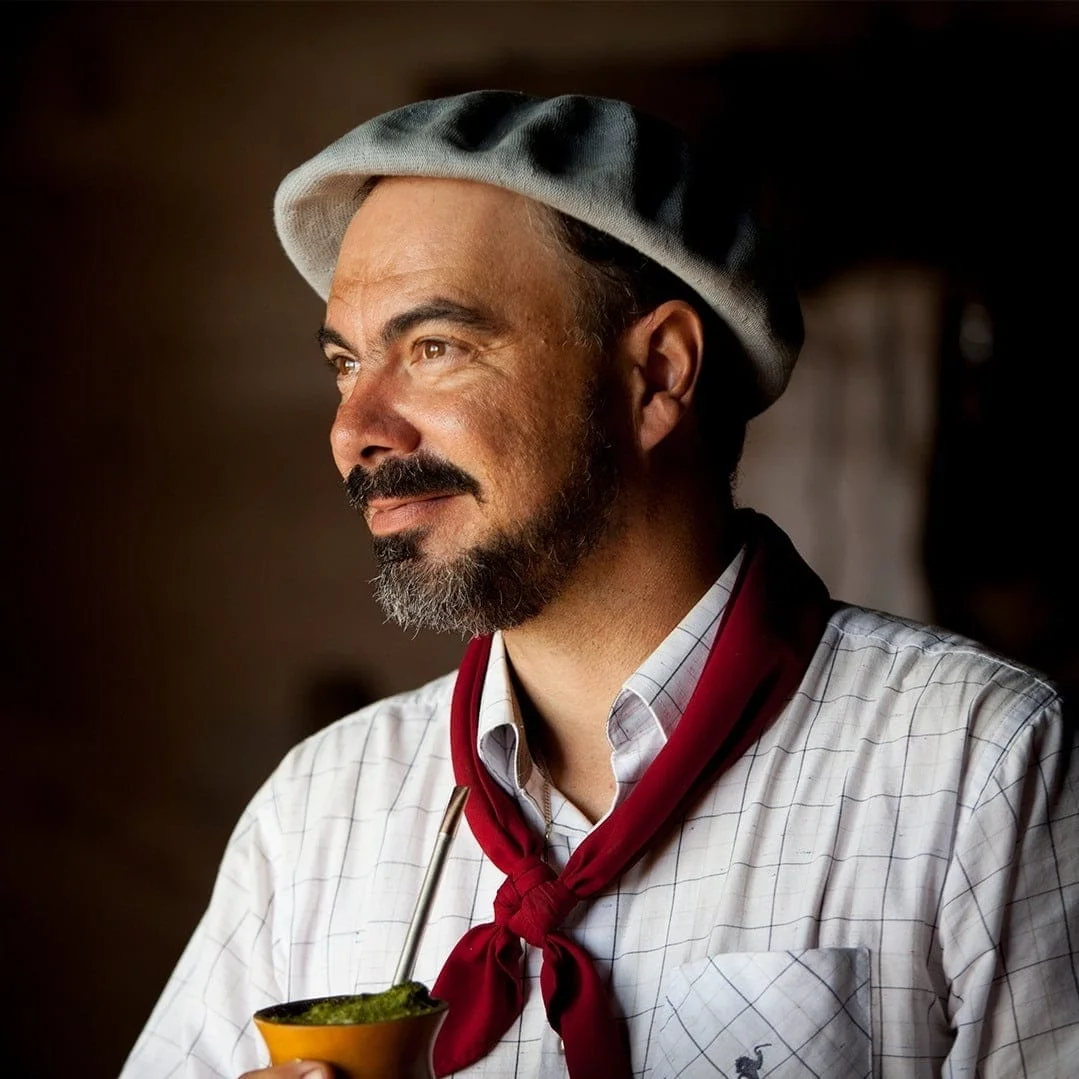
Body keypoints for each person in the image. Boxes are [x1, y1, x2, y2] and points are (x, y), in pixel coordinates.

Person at [120, 91, 1078, 1079]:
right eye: (345, 363)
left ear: (657, 373)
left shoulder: (979, 764)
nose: (354, 430)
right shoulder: (315, 811)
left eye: (434, 347)